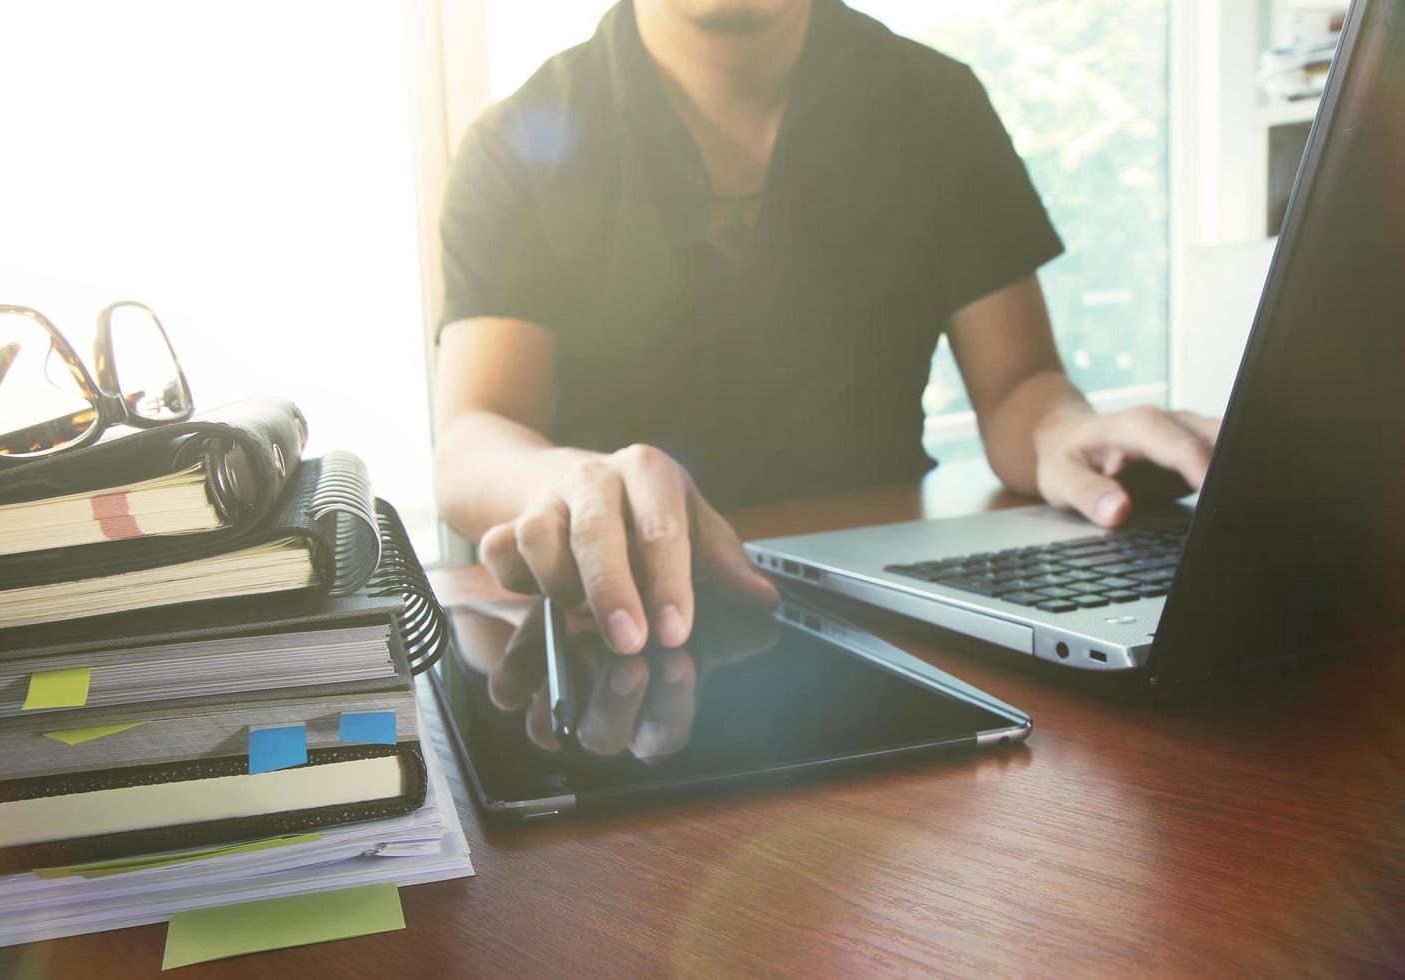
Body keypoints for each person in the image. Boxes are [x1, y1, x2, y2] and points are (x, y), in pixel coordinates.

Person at [433, 0, 1219, 657]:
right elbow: (474, 435)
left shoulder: (935, 103)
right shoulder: (518, 141)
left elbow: (1020, 386)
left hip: (904, 624)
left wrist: (1065, 431)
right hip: (628, 634)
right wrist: (563, 482)